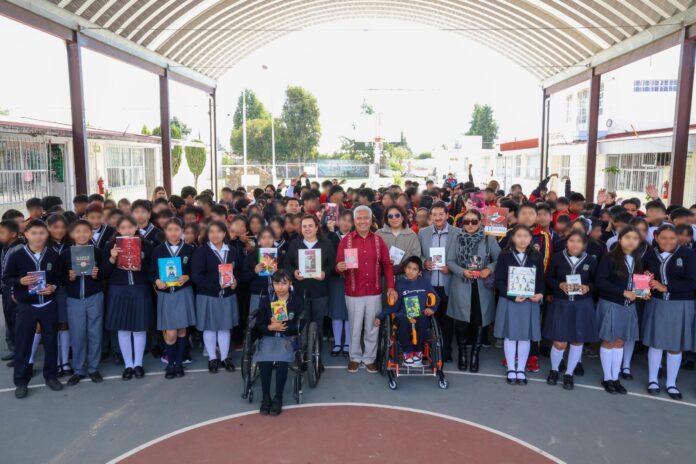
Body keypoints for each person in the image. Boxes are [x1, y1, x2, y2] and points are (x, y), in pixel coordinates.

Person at [2, 219, 64, 398]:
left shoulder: (53, 255)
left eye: (42, 233)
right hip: (26, 307)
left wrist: (53, 287)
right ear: (26, 234)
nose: (38, 237)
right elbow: (6, 278)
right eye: (34, 233)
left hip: (48, 305)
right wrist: (20, 281)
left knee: (51, 342)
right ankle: (21, 381)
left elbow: (60, 277)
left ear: (47, 234)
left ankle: (51, 376)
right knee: (23, 344)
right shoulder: (17, 255)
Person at [335, 205, 397, 373]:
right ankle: (355, 357)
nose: (362, 221)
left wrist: (391, 287)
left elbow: (387, 264)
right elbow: (338, 265)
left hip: (374, 292)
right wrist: (339, 267)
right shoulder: (345, 241)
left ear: (371, 220)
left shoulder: (378, 240)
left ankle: (369, 358)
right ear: (354, 221)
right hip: (353, 292)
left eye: (365, 218)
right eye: (359, 218)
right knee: (355, 327)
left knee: (372, 327)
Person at [641, 225, 696, 400]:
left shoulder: (688, 254)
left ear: (677, 238)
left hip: (681, 304)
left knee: (675, 346)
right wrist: (644, 286)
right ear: (656, 237)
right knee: (656, 343)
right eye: (664, 237)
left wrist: (666, 287)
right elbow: (642, 281)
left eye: (672, 238)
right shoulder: (649, 255)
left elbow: (692, 282)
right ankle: (653, 380)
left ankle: (671, 383)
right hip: (657, 303)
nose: (668, 241)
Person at [446, 208, 499, 372]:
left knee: (479, 320)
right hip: (461, 284)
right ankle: (462, 352)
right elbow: (450, 261)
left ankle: (475, 354)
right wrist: (462, 271)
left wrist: (489, 269)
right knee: (461, 320)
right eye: (466, 221)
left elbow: (500, 258)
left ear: (480, 222)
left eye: (474, 221)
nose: (470, 224)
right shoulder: (456, 237)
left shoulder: (488, 238)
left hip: (481, 286)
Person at [543, 230, 598, 390]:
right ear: (566, 242)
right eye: (572, 240)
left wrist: (588, 287)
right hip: (561, 303)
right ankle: (554, 370)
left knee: (577, 340)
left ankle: (569, 373)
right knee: (559, 342)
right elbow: (549, 278)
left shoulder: (591, 261)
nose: (575, 244)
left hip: (582, 305)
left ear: (584, 244)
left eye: (579, 241)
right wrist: (559, 285)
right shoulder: (557, 258)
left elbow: (597, 282)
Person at [102, 215, 154, 381]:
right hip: (119, 290)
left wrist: (139, 262)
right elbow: (103, 273)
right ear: (118, 229)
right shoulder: (110, 245)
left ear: (136, 227)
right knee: (123, 329)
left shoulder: (146, 245)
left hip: (140, 289)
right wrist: (112, 258)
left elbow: (152, 269)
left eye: (130, 227)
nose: (127, 231)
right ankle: (128, 365)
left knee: (139, 328)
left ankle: (138, 364)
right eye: (123, 228)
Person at [494, 224, 545, 385]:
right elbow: (499, 281)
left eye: (526, 236)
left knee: (525, 337)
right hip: (510, 300)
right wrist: (512, 296)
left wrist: (540, 294)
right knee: (510, 336)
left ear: (531, 238)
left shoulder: (537, 256)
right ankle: (511, 368)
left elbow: (541, 280)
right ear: (513, 238)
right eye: (519, 236)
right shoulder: (505, 255)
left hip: (529, 302)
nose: (522, 239)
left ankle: (521, 369)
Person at [595, 226, 643, 395]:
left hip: (628, 305)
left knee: (620, 342)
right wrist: (623, 292)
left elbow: (638, 285)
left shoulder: (637, 259)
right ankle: (607, 378)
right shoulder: (609, 258)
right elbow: (600, 281)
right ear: (620, 239)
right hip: (611, 303)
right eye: (627, 237)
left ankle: (615, 377)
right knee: (609, 341)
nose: (631, 241)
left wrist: (642, 289)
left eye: (635, 238)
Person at [191, 221, 242, 373]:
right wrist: (216, 285)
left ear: (224, 233)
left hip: (228, 295)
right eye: (211, 231)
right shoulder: (201, 251)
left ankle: (225, 357)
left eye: (219, 231)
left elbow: (238, 271)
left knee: (225, 327)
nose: (215, 235)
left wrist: (236, 281)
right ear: (207, 234)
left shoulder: (232, 251)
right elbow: (196, 276)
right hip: (208, 295)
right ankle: (212, 358)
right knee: (210, 328)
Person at [253, 269, 304, 416]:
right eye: (277, 283)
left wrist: (284, 327)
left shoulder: (296, 301)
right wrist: (270, 327)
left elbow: (301, 325)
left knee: (282, 360)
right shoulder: (266, 301)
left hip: (287, 338)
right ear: (272, 285)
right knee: (265, 360)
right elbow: (259, 324)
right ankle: (266, 398)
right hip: (269, 337)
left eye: (284, 283)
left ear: (290, 284)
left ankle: (278, 398)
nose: (280, 287)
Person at [150, 218, 196, 379]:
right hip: (166, 294)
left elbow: (195, 272)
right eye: (170, 229)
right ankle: (170, 362)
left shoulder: (189, 249)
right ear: (165, 231)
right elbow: (151, 272)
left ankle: (179, 362)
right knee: (171, 333)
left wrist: (187, 276)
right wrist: (156, 280)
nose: (173, 233)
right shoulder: (158, 250)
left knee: (182, 330)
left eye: (177, 229)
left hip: (183, 292)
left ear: (182, 231)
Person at [61, 219, 104, 386]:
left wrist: (97, 274)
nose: (82, 234)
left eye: (86, 231)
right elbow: (59, 277)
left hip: (94, 296)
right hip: (74, 299)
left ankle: (93, 368)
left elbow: (105, 273)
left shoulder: (97, 252)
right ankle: (79, 369)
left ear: (91, 234)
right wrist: (68, 277)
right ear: (71, 234)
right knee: (77, 334)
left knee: (95, 333)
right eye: (77, 231)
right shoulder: (65, 254)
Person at [374, 256, 439, 366]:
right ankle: (407, 352)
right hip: (403, 315)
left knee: (423, 321)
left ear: (419, 272)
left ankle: (418, 351)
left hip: (420, 314)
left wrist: (432, 309)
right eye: (409, 268)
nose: (411, 271)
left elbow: (436, 298)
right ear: (404, 268)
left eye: (414, 269)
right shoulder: (400, 284)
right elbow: (394, 306)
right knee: (402, 320)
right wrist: (380, 316)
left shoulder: (425, 283)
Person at [419, 201, 460, 363]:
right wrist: (424, 262)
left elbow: (461, 257)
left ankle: (446, 351)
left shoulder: (458, 233)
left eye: (441, 214)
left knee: (447, 321)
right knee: (427, 319)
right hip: (429, 284)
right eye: (434, 215)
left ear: (447, 215)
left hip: (448, 284)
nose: (438, 218)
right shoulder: (423, 233)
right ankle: (427, 351)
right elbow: (418, 254)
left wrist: (451, 267)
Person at [284, 215, 336, 340]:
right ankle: (304, 349)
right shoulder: (295, 244)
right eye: (304, 226)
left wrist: (325, 273)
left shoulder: (326, 244)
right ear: (301, 229)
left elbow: (333, 264)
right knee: (303, 321)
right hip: (300, 289)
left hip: (320, 290)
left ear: (317, 227)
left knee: (318, 322)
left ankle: (317, 349)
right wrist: (294, 272)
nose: (307, 229)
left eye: (310, 226)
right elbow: (286, 264)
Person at [46, 214, 73, 377]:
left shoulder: (72, 244)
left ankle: (65, 362)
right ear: (48, 228)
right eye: (55, 227)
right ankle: (55, 362)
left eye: (63, 227)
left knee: (64, 324)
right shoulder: (43, 245)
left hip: (64, 290)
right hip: (47, 291)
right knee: (51, 326)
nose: (60, 230)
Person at [327, 210, 353, 356]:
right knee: (337, 311)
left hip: (352, 278)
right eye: (343, 219)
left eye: (349, 220)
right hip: (335, 279)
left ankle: (348, 343)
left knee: (349, 312)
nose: (346, 223)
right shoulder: (331, 236)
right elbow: (327, 258)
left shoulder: (355, 237)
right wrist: (336, 267)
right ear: (338, 221)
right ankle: (337, 343)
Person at [0, 219, 24, 361]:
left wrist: (14, 291)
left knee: (16, 322)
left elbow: (18, 272)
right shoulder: (6, 247)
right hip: (6, 289)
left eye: (2, 233)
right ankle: (14, 350)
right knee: (10, 319)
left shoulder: (18, 249)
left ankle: (19, 354)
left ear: (13, 234)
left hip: (13, 290)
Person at [377, 205, 421, 274]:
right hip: (384, 275)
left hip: (405, 275)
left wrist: (404, 268)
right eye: (390, 216)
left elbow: (416, 256)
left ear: (403, 217)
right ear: (387, 219)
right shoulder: (379, 234)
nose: (394, 218)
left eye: (397, 215)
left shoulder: (412, 235)